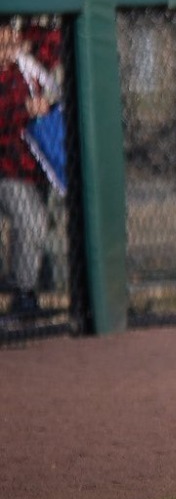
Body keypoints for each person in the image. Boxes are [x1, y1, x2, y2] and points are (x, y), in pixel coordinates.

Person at [0, 16, 63, 319]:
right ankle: (23, 293)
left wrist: (28, 35)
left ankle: (22, 289)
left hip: (35, 165)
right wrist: (24, 110)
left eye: (9, 35)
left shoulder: (26, 64)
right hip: (6, 170)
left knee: (36, 223)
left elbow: (54, 42)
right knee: (31, 220)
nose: (7, 44)